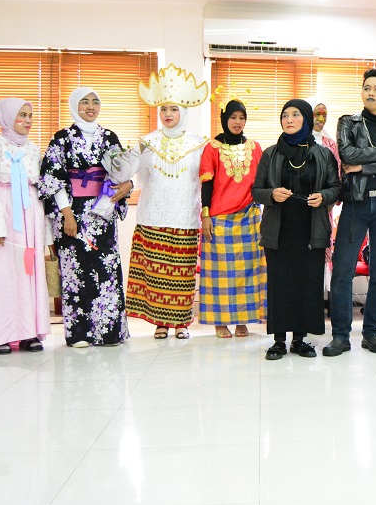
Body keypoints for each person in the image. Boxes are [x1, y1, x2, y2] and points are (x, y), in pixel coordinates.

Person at [324, 69, 376, 357]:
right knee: (342, 271)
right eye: (367, 88)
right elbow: (347, 154)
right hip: (355, 203)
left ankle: (372, 333)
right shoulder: (348, 123)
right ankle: (340, 336)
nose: (371, 93)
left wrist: (365, 166)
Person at [40, 87, 134, 347]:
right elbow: (53, 178)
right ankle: (79, 333)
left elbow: (122, 173)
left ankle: (109, 332)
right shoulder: (61, 138)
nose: (90, 106)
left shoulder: (109, 137)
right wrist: (66, 214)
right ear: (74, 105)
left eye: (95, 102)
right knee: (75, 270)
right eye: (84, 102)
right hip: (73, 212)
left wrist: (127, 185)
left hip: (103, 210)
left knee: (107, 270)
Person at [253, 99, 341, 360]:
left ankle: (300, 340)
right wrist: (272, 194)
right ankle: (279, 341)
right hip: (279, 230)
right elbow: (256, 191)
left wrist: (324, 196)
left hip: (311, 229)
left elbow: (336, 188)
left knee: (307, 284)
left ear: (306, 119)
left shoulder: (323, 154)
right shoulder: (270, 153)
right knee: (280, 284)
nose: (289, 119)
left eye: (295, 115)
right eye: (284, 115)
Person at [126, 63, 209, 340]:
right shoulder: (146, 142)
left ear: (183, 111)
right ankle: (160, 323)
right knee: (156, 277)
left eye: (174, 109)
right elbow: (131, 176)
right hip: (152, 217)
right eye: (163, 109)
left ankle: (181, 323)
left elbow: (207, 182)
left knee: (182, 276)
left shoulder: (200, 144)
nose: (168, 114)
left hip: (186, 218)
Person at [0, 98, 50, 354]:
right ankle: (1, 335)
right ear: (6, 117)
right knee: (2, 275)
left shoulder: (33, 149)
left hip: (29, 218)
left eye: (30, 116)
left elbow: (40, 189)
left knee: (28, 272)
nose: (27, 121)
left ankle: (29, 333)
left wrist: (44, 230)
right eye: (22, 116)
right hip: (4, 216)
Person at [198, 99, 265, 339]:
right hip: (219, 220)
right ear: (225, 119)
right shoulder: (212, 147)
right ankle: (220, 322)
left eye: (241, 118)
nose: (237, 122)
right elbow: (206, 184)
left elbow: (262, 182)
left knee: (247, 273)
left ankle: (242, 320)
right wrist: (206, 215)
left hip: (249, 217)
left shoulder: (255, 147)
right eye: (233, 117)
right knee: (220, 275)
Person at [312, 102, 341, 170]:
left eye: (324, 115)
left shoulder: (331, 145)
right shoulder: (299, 142)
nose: (321, 119)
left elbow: (337, 170)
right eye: (317, 114)